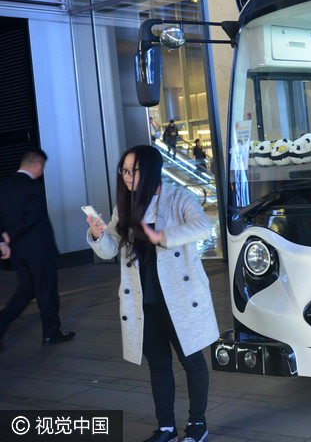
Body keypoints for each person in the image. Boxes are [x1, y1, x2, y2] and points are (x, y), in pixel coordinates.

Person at [86, 145, 217, 442]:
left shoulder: (179, 197)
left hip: (180, 297)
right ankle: (167, 428)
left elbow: (203, 226)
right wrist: (98, 234)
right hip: (144, 299)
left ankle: (197, 424)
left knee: (191, 361)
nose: (127, 176)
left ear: (150, 171)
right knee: (158, 364)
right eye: (124, 170)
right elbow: (111, 249)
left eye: (133, 170)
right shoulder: (127, 205)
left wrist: (163, 236)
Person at [0, 150, 75, 353]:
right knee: (47, 290)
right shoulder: (34, 187)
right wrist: (10, 236)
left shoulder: (3, 186)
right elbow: (31, 218)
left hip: (17, 253)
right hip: (40, 250)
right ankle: (51, 333)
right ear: (38, 166)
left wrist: (3, 239)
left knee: (25, 291)